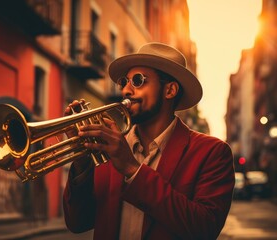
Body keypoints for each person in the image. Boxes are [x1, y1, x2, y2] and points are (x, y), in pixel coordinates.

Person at [62, 42, 235, 239]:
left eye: (138, 80)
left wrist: (131, 168)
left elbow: (205, 228)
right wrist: (82, 157)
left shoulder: (212, 152)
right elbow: (77, 222)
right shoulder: (108, 148)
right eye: (124, 81)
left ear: (170, 90)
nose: (126, 90)